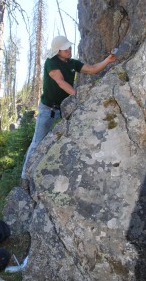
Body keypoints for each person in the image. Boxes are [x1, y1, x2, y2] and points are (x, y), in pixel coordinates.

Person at [21, 35, 116, 190]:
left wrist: (108, 60)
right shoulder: (51, 62)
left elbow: (91, 70)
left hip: (64, 108)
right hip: (48, 110)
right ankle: (24, 176)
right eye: (66, 49)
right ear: (58, 51)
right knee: (37, 142)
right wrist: (77, 96)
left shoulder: (72, 63)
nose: (69, 50)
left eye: (69, 48)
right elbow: (61, 82)